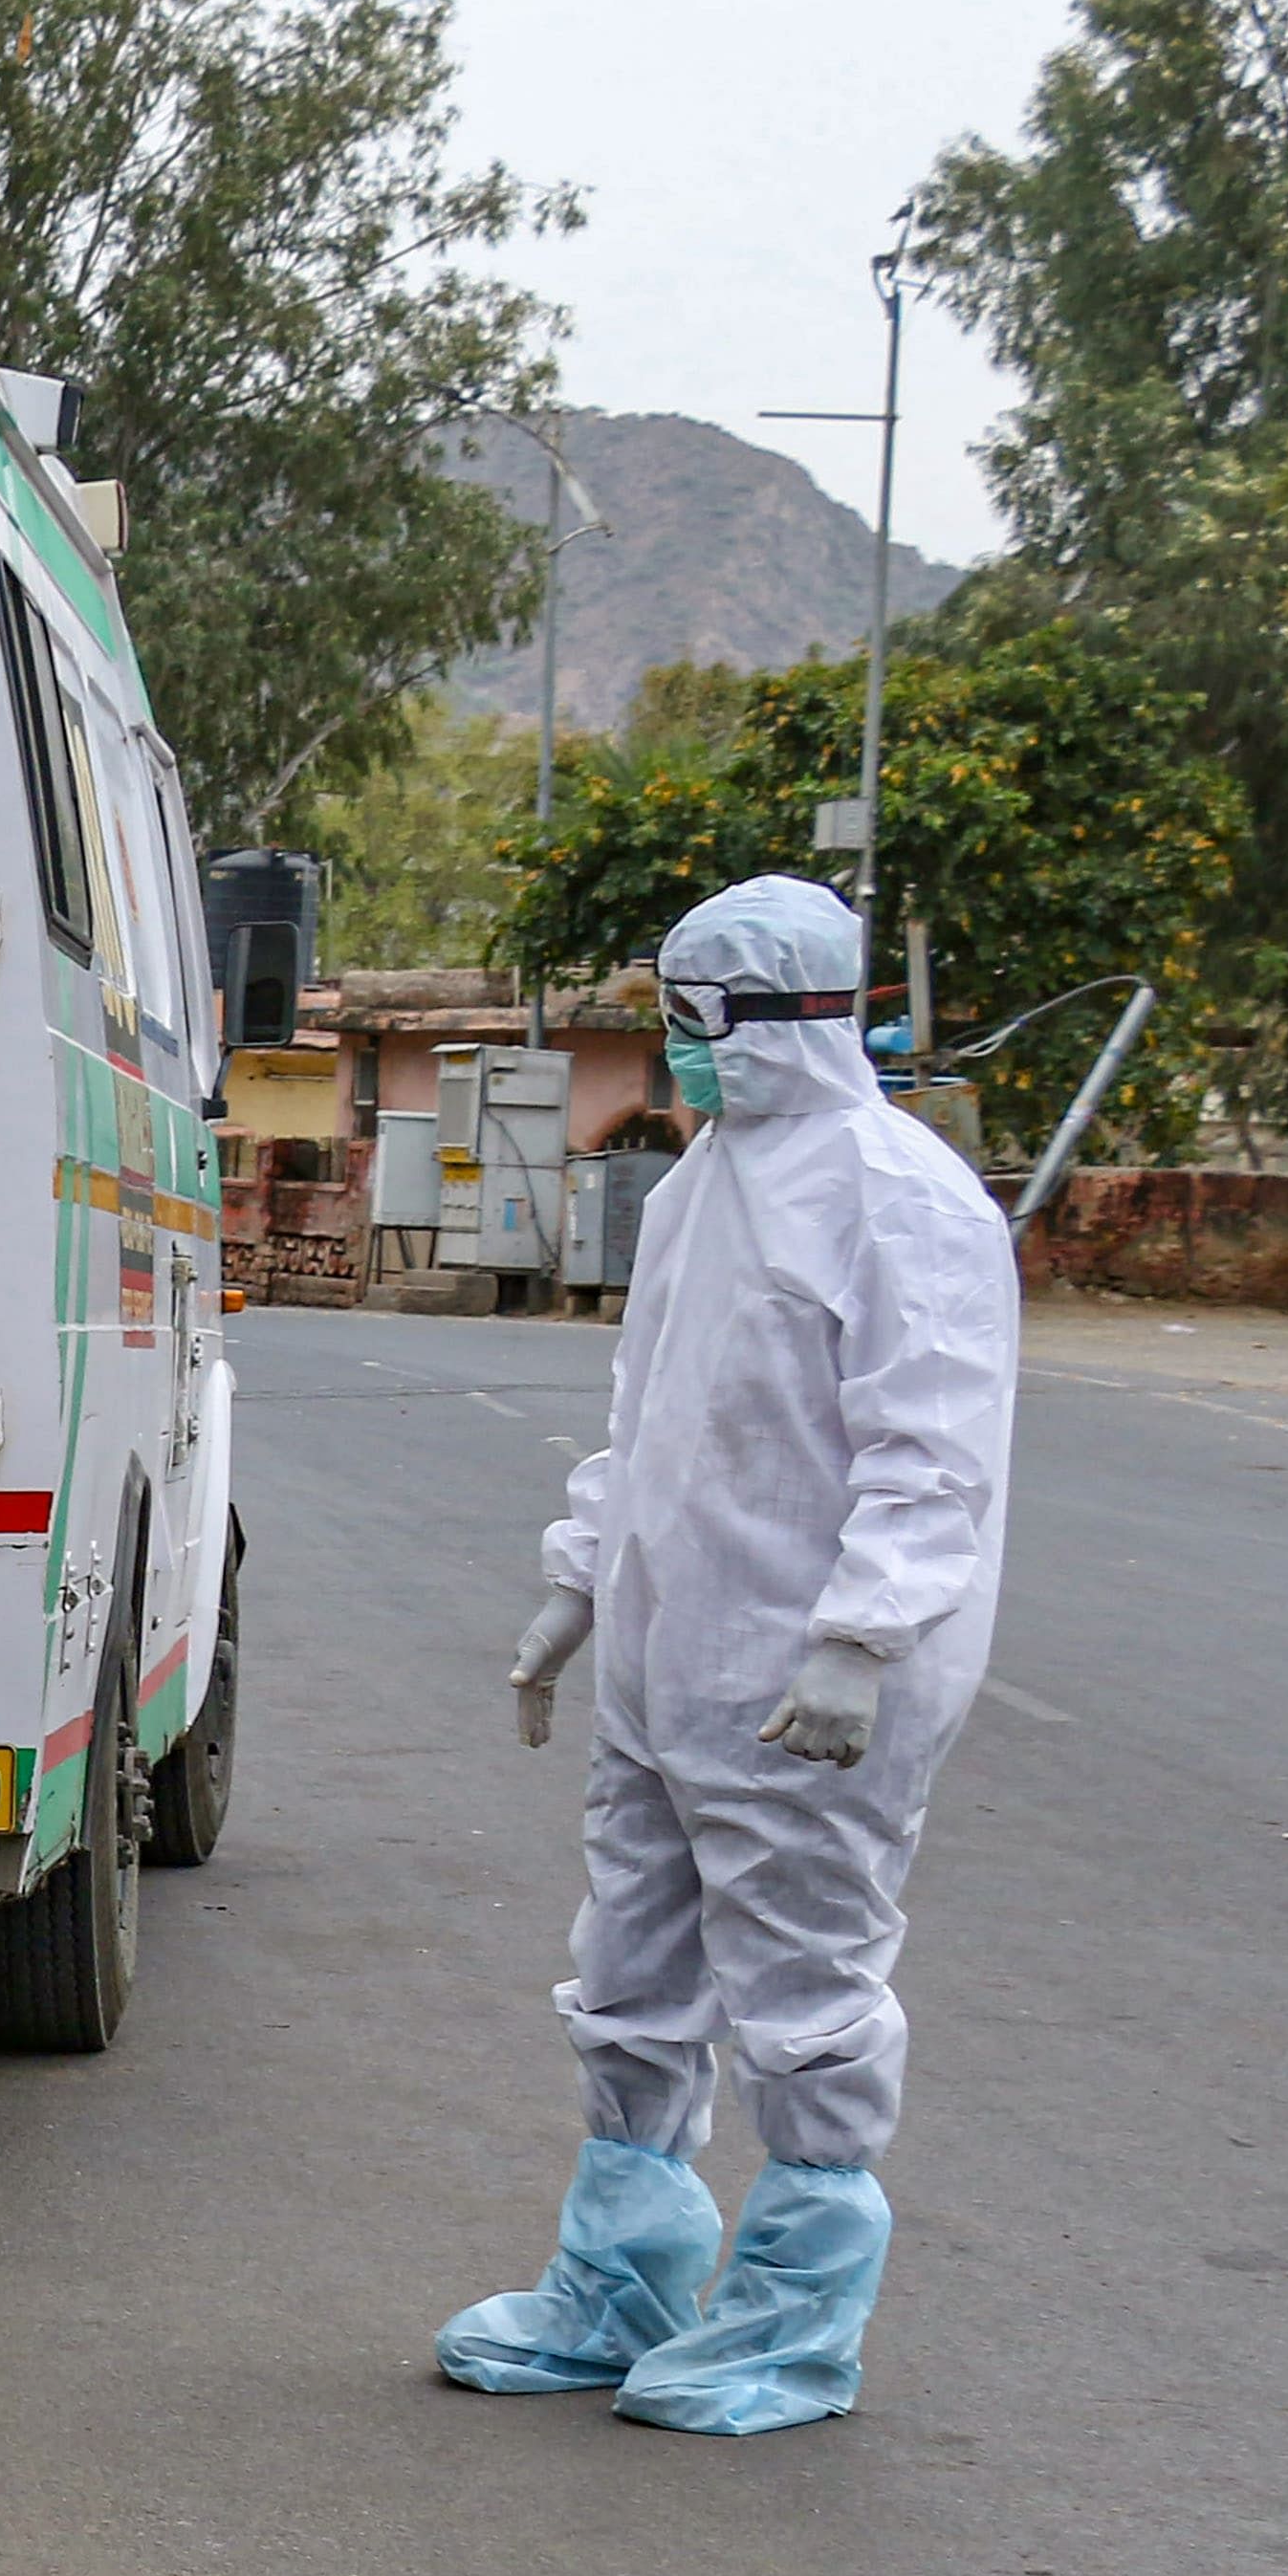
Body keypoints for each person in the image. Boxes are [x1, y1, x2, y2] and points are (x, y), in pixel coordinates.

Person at [445, 873, 1020, 2435]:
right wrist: (579, 1587)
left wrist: (859, 1637)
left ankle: (793, 2322)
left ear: (770, 1021)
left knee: (803, 1987)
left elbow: (932, 1453)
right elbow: (652, 1422)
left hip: (803, 1687)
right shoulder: (709, 1184)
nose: (677, 1052)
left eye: (691, 1021)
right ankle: (617, 2283)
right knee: (634, 1969)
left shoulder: (900, 1198)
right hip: (664, 1657)